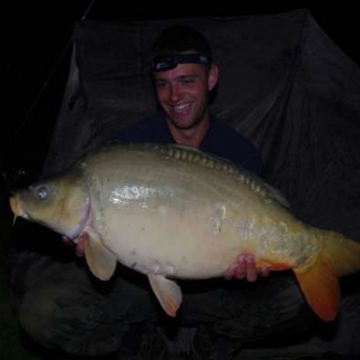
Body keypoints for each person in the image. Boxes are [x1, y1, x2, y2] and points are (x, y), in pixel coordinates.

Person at [9, 24, 358, 360]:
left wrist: (252, 267)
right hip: (136, 287)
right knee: (42, 312)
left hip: (218, 289)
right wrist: (82, 243)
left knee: (294, 304)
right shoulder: (123, 149)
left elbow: (258, 235)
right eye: (163, 84)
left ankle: (219, 339)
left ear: (211, 78)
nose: (174, 96)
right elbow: (101, 265)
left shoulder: (240, 153)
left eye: (186, 81)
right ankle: (137, 342)